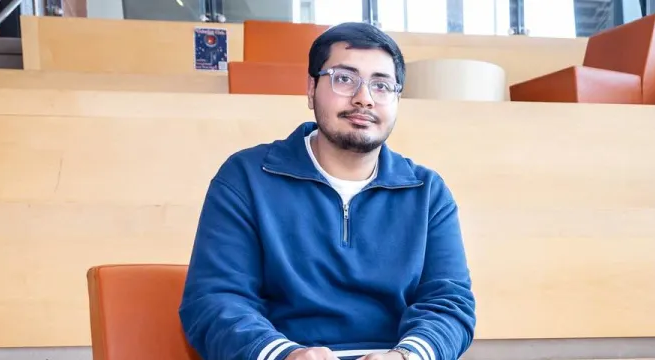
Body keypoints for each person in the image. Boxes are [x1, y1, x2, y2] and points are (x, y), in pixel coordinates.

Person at [179, 22, 475, 360]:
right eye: (344, 79)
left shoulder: (428, 192)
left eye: (381, 85)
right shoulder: (245, 177)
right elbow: (215, 299)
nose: (364, 98)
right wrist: (285, 355)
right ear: (311, 89)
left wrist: (408, 355)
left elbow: (449, 303)